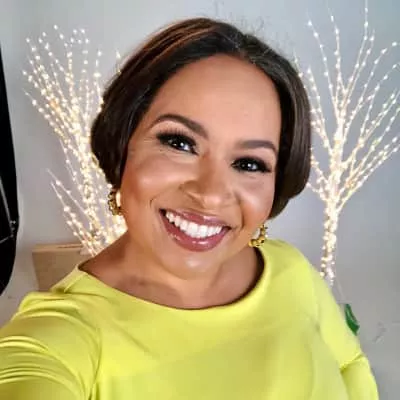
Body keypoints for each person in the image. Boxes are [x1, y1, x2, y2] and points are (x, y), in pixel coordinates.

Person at [0, 18, 378, 399]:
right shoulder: (58, 339)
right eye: (179, 143)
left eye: (249, 163)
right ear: (123, 144)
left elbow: (350, 363)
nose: (211, 194)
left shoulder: (291, 270)